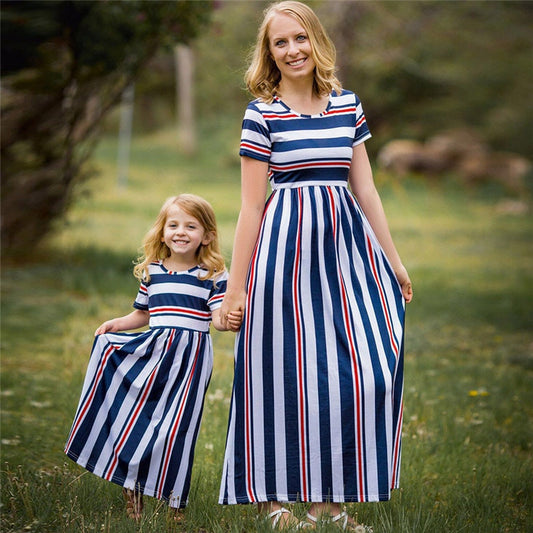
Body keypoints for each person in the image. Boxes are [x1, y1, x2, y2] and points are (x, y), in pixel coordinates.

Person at [218, 1, 412, 530]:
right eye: (280, 42)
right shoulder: (262, 115)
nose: (292, 50)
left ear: (316, 41)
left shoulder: (347, 105)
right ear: (269, 54)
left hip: (348, 256)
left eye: (300, 38)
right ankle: (273, 499)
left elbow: (366, 189)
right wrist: (235, 290)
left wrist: (393, 262)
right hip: (283, 257)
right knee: (280, 375)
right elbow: (251, 207)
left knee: (361, 374)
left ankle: (332, 506)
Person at [65, 193, 242, 521]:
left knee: (177, 429)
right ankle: (132, 492)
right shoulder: (153, 271)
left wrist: (229, 319)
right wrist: (116, 325)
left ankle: (175, 503)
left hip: (190, 361)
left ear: (207, 236)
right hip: (152, 355)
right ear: (162, 232)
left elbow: (217, 320)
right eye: (173, 224)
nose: (181, 232)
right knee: (138, 422)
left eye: (191, 226)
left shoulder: (213, 275)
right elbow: (141, 315)